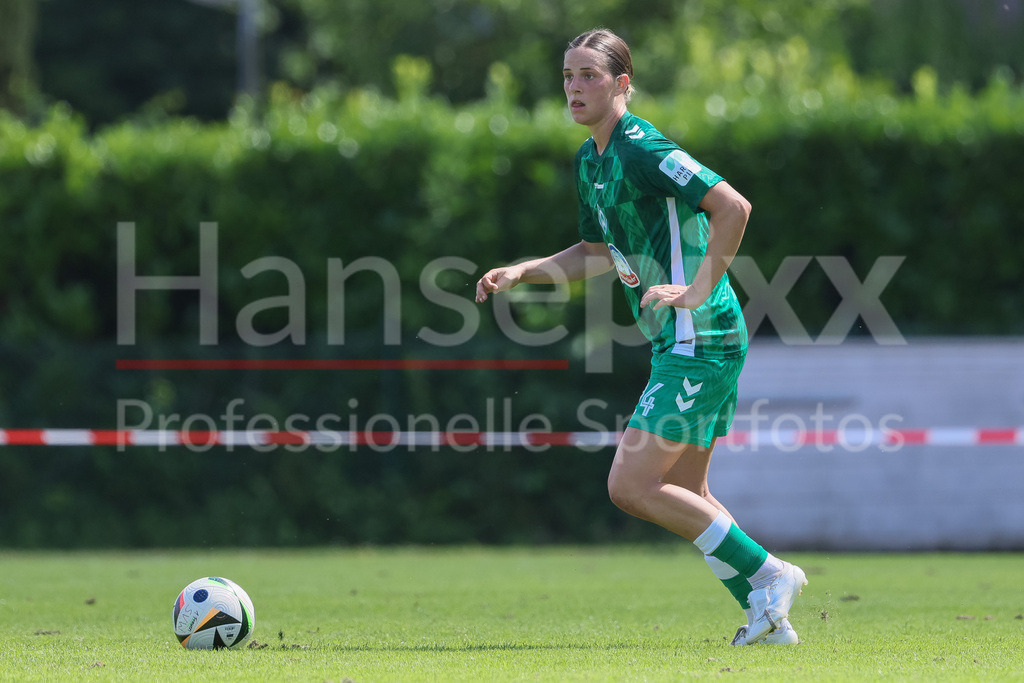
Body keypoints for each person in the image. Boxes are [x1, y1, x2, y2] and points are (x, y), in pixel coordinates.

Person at [475, 28, 805, 646]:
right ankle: (768, 617)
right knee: (684, 491)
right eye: (568, 77)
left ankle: (771, 574)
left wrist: (697, 289)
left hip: (699, 336)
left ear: (622, 84)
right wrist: (527, 270)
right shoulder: (591, 160)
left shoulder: (643, 148)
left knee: (630, 486)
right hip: (678, 339)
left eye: (589, 76)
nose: (574, 88)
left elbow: (734, 206)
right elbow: (598, 251)